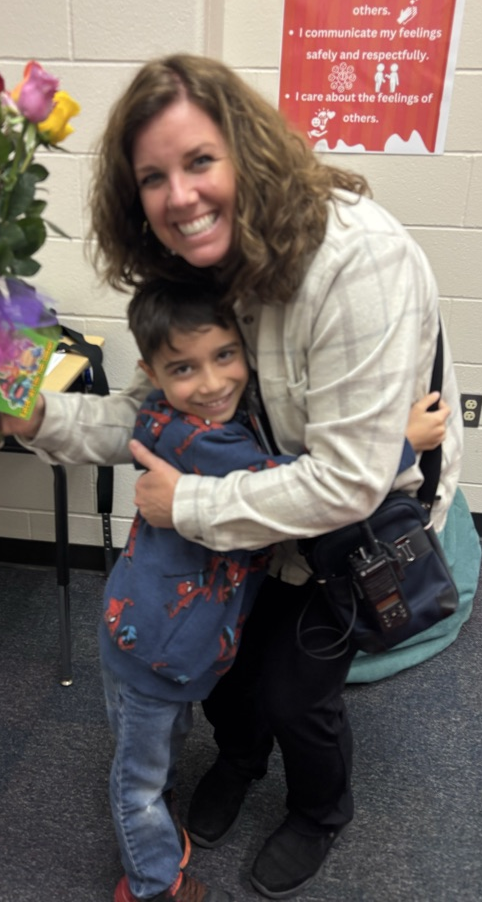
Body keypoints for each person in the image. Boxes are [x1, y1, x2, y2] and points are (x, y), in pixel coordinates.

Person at [0, 53, 464, 901]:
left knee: (294, 689)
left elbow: (349, 481)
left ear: (247, 154)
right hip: (252, 500)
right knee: (231, 673)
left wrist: (190, 503)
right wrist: (29, 418)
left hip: (351, 514)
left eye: (200, 161)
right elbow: (144, 421)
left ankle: (322, 808)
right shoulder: (199, 266)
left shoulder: (359, 260)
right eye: (153, 177)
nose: (179, 195)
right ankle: (239, 763)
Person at [102, 278, 298, 902]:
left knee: (159, 750)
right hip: (155, 651)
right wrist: (397, 443)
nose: (212, 383)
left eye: (224, 356)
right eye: (183, 368)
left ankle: (160, 823)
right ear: (150, 371)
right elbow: (305, 489)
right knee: (138, 779)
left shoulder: (176, 416)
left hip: (160, 640)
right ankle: (152, 886)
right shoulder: (208, 442)